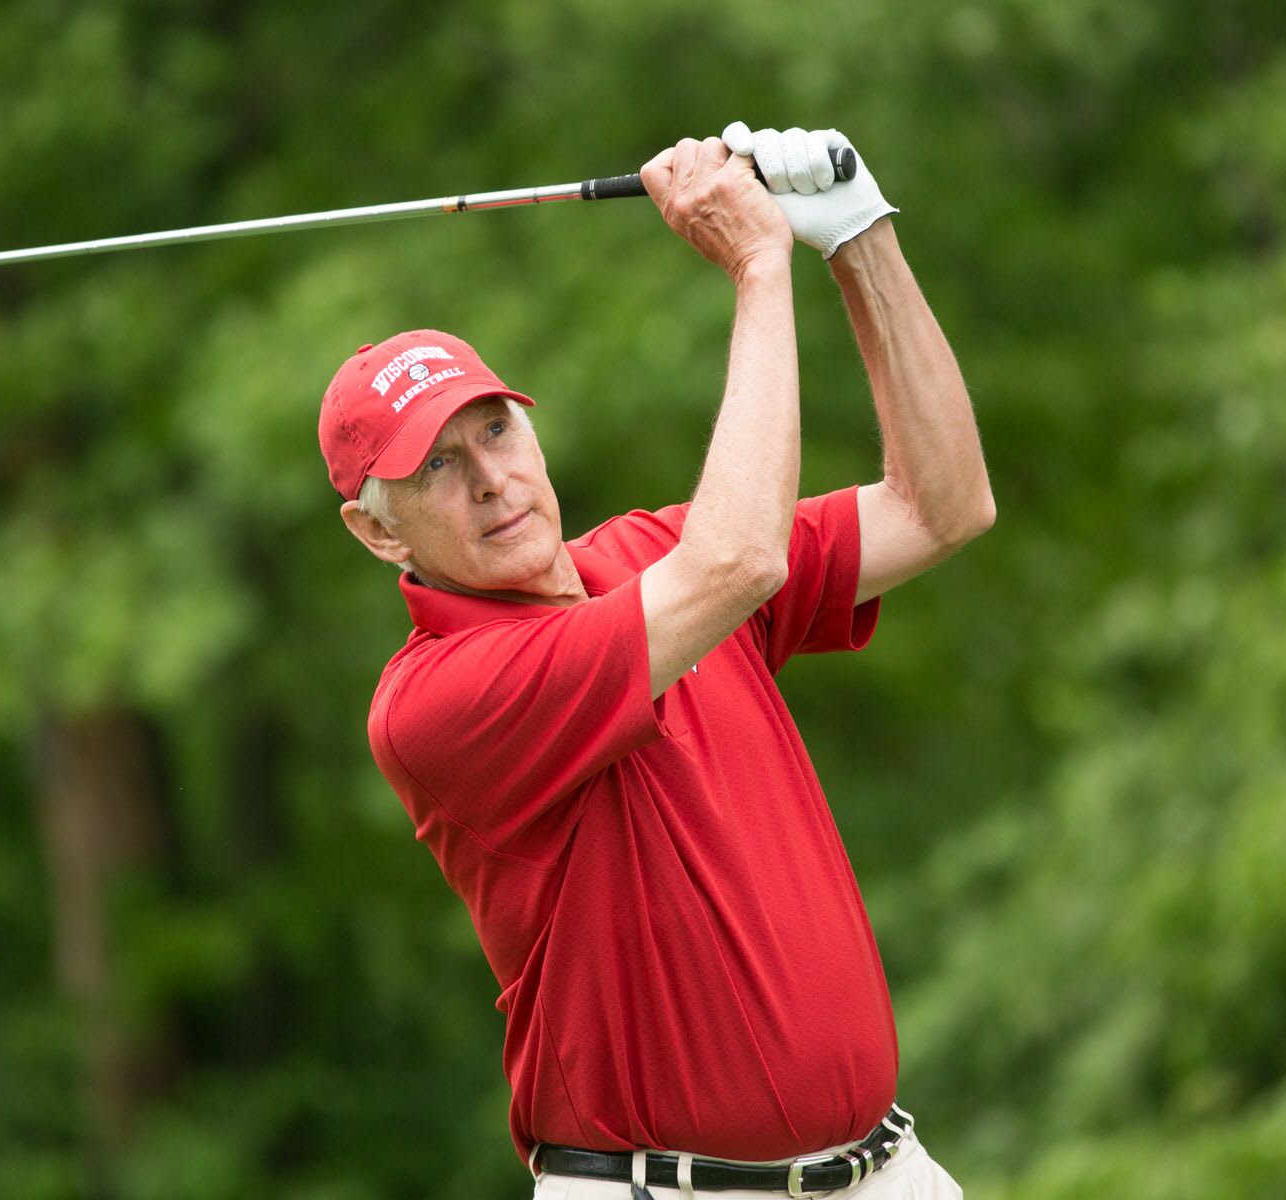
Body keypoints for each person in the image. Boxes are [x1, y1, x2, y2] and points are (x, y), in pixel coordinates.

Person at [317, 122, 990, 1199]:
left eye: (494, 431)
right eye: (435, 467)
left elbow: (944, 505)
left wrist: (859, 237)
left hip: (886, 1173)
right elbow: (738, 560)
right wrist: (760, 265)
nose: (488, 479)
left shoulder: (650, 551)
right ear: (378, 532)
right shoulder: (434, 700)